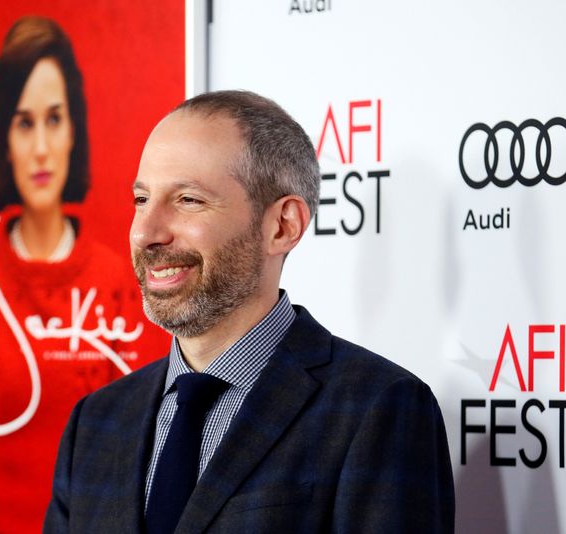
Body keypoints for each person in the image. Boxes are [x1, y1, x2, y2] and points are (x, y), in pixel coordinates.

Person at [44, 90, 455, 533]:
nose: (146, 233)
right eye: (141, 200)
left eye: (188, 200)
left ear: (282, 226)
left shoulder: (377, 409)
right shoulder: (96, 422)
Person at [0, 16, 169, 532]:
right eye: (24, 122)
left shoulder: (116, 277)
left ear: (74, 131)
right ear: (5, 136)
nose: (41, 146)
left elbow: (136, 443)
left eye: (54, 118)